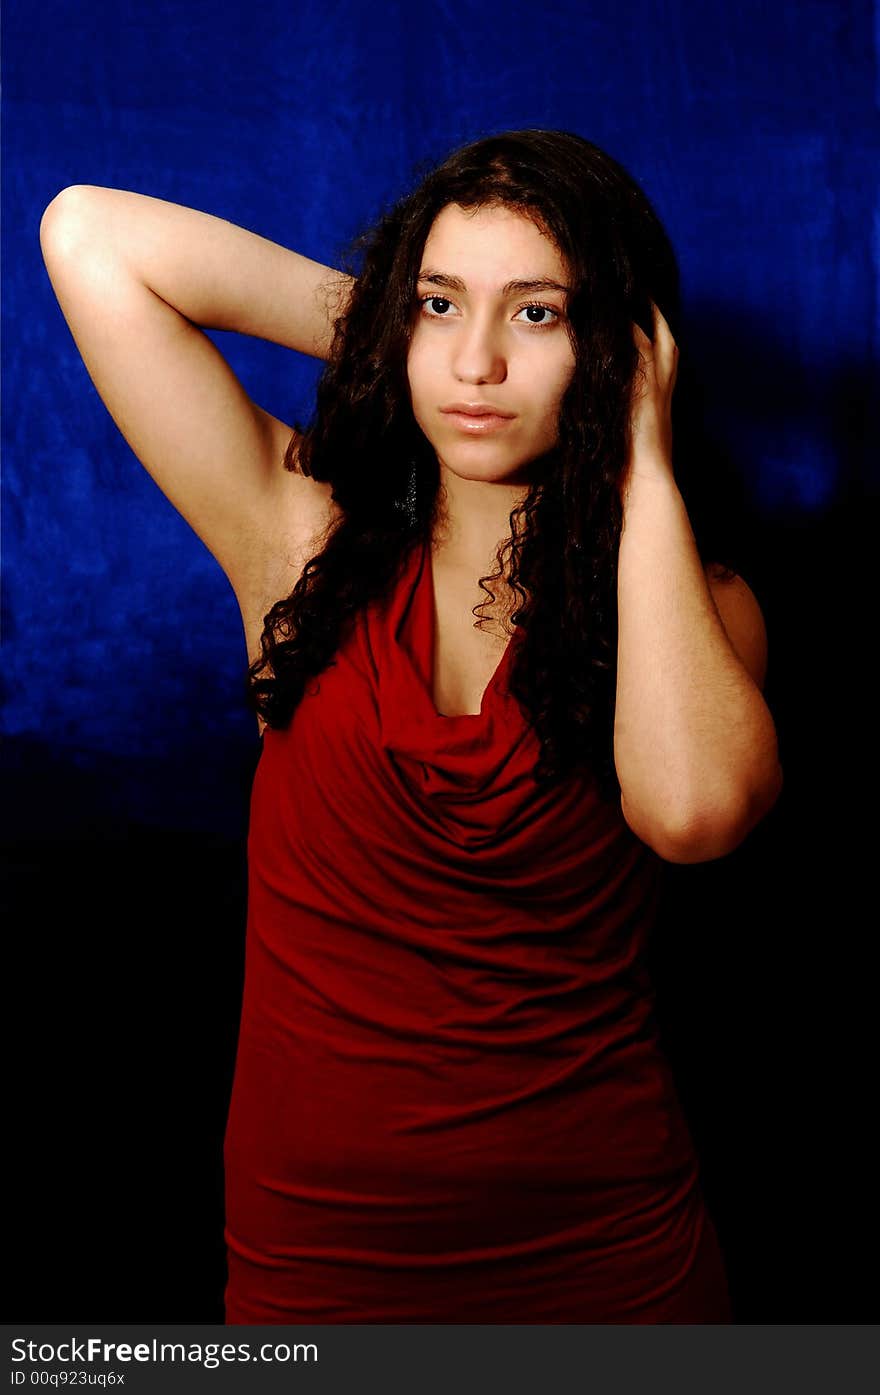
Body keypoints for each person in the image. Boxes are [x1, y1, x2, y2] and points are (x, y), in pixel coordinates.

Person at [40, 128, 782, 1323]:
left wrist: (638, 459)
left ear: (621, 351)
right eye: (444, 303)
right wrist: (406, 328)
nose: (476, 362)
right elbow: (89, 234)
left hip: (605, 1264)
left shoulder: (693, 608)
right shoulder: (296, 546)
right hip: (316, 1271)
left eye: (537, 316)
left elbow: (693, 813)